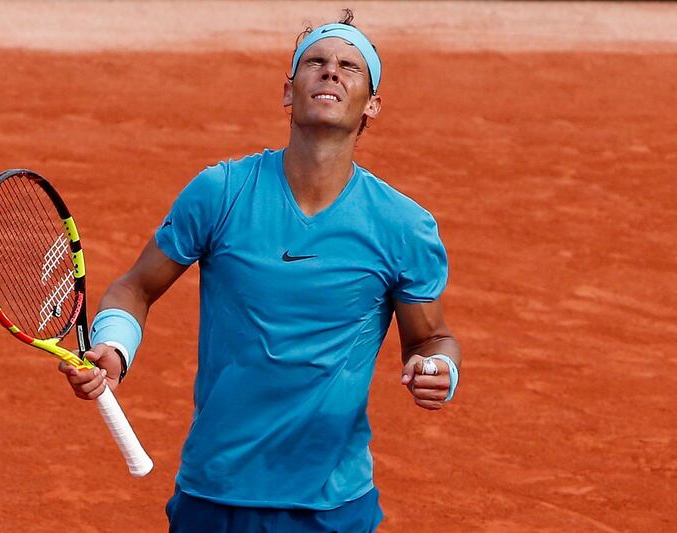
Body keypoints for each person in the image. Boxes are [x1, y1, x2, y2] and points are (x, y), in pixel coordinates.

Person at [59, 9, 461, 533]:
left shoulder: (403, 226)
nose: (331, 71)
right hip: (215, 492)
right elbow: (135, 287)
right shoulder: (220, 192)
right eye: (314, 62)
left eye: (349, 66)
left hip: (332, 505)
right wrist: (113, 348)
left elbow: (431, 339)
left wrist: (440, 373)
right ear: (289, 92)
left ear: (373, 105)